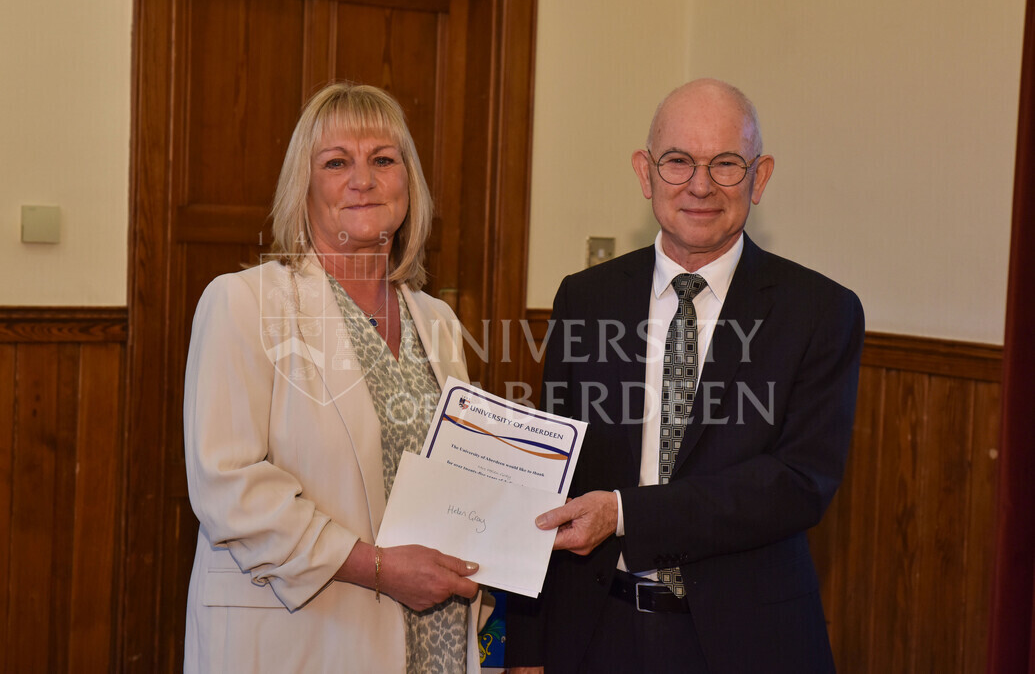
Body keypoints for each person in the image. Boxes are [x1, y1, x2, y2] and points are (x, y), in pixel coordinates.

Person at [505, 79, 865, 673]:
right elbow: (551, 475)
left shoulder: (819, 311)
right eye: (678, 161)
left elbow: (798, 484)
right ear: (645, 173)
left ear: (760, 177)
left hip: (748, 643)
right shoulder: (585, 298)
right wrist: (526, 647)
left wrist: (626, 514)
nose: (700, 185)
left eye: (725, 163)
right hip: (593, 634)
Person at [182, 82, 488, 673]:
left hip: (436, 638)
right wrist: (380, 568)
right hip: (303, 638)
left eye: (383, 160)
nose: (362, 180)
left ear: (409, 183)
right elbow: (229, 488)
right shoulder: (244, 303)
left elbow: (461, 475)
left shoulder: (438, 322)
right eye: (337, 162)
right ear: (303, 186)